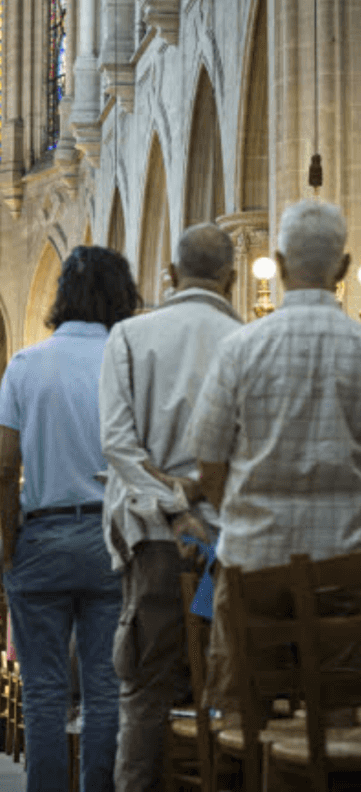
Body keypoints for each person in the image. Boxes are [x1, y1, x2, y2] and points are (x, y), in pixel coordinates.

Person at [188, 199, 361, 710]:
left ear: (279, 266)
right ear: (344, 268)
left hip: (253, 564)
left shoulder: (240, 349)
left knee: (242, 713)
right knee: (340, 714)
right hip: (347, 567)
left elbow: (209, 463)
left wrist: (241, 514)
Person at [98, 223, 242, 791]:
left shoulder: (131, 337)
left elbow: (116, 442)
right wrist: (196, 499)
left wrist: (168, 502)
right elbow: (243, 451)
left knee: (143, 694)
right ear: (231, 277)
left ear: (171, 275)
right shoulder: (246, 340)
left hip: (151, 541)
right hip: (224, 549)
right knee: (225, 691)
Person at [0, 245, 140, 792]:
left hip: (44, 534)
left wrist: (12, 545)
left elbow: (7, 470)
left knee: (45, 693)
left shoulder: (27, 364)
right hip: (111, 535)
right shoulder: (127, 359)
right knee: (105, 690)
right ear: (121, 295)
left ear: (61, 297)